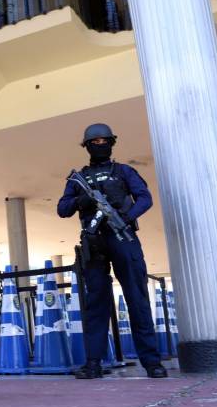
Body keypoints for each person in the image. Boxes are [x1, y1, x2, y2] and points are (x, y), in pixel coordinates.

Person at [57, 124, 168, 379]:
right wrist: (81, 201)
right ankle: (93, 363)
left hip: (123, 238)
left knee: (137, 299)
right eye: (94, 142)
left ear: (111, 143)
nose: (99, 145)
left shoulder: (124, 171)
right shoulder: (78, 178)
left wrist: (127, 218)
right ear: (86, 146)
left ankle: (152, 362)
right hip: (94, 242)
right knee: (96, 303)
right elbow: (63, 209)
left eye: (103, 140)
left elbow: (145, 198)